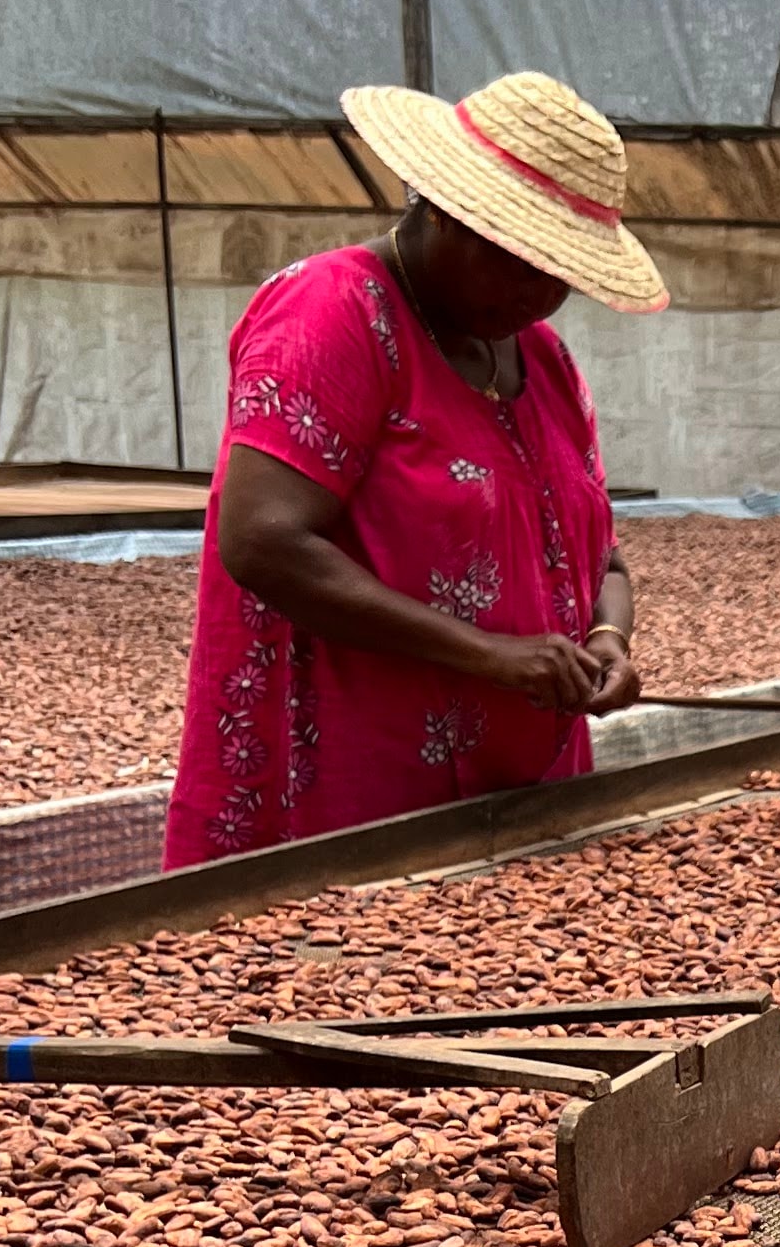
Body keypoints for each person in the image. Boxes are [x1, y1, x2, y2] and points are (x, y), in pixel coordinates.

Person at [165, 67, 667, 866]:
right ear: (441, 210)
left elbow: (595, 551)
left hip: (525, 793)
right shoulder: (335, 314)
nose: (537, 291)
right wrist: (489, 654)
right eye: (515, 258)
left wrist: (609, 640)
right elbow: (264, 542)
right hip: (356, 788)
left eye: (558, 272)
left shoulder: (542, 357)